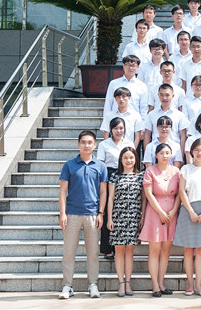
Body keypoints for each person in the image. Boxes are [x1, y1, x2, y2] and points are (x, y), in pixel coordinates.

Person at [58, 131, 108, 299]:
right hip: (72, 213)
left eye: (90, 142)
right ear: (78, 144)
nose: (87, 145)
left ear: (95, 145)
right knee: (68, 253)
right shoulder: (69, 165)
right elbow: (63, 191)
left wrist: (101, 213)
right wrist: (62, 213)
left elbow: (103, 192)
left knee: (93, 253)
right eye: (84, 142)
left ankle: (93, 284)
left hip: (92, 214)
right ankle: (67, 286)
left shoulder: (100, 166)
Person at [173, 138, 201, 296]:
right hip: (188, 209)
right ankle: (190, 285)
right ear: (191, 151)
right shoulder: (185, 169)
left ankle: (199, 284)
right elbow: (181, 191)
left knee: (200, 250)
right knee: (188, 249)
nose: (200, 153)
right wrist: (191, 211)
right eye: (197, 150)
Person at [140, 143, 180, 297]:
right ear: (156, 155)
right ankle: (155, 285)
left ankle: (161, 283)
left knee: (166, 250)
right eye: (161, 153)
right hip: (155, 213)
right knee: (155, 250)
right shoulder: (150, 171)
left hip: (171, 212)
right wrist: (161, 212)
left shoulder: (176, 171)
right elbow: (148, 194)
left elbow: (180, 193)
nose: (164, 156)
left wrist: (173, 211)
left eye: (167, 153)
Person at [106, 146, 144, 297]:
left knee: (130, 251)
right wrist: (109, 218)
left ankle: (128, 282)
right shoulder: (115, 176)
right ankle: (121, 283)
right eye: (125, 158)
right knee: (119, 250)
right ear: (121, 160)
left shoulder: (140, 176)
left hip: (134, 217)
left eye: (131, 157)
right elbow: (110, 198)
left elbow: (144, 199)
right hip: (118, 217)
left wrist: (142, 217)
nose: (129, 160)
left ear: (136, 159)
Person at [96, 117, 135, 260]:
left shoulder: (129, 143)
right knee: (108, 211)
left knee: (121, 211)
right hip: (109, 174)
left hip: (125, 175)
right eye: (115, 128)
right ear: (111, 130)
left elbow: (133, 159)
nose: (119, 131)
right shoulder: (104, 144)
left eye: (121, 128)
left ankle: (121, 245)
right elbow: (100, 164)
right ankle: (107, 248)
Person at [103, 55, 148, 119]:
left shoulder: (142, 86)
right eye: (128, 65)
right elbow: (108, 104)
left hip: (134, 120)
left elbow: (144, 107)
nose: (131, 68)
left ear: (137, 67)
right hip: (116, 119)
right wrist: (107, 121)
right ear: (123, 66)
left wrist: (142, 123)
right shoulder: (114, 83)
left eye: (133, 65)